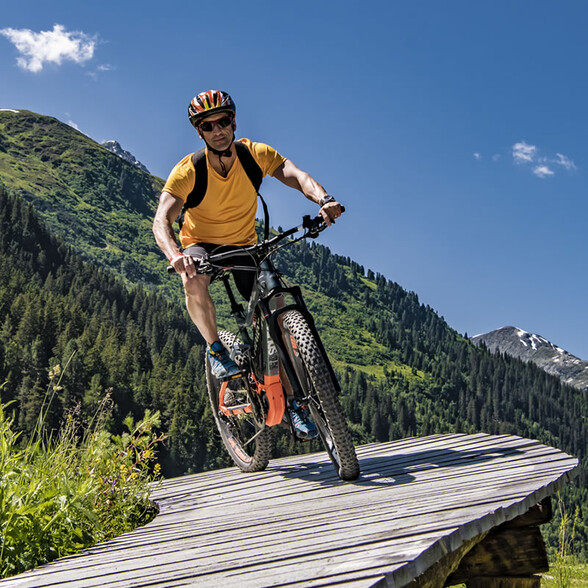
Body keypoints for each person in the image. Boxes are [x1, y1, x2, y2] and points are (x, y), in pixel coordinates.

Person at [153, 90, 342, 438]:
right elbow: (161, 220)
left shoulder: (254, 155)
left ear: (234, 122)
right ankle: (215, 349)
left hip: (245, 244)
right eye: (207, 125)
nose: (217, 130)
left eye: (223, 121)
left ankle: (297, 401)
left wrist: (324, 199)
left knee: (277, 308)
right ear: (200, 132)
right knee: (193, 282)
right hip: (201, 245)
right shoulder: (188, 171)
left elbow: (294, 174)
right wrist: (175, 256)